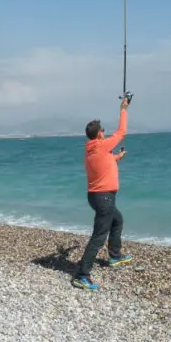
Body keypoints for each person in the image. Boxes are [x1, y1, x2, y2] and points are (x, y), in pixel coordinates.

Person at [72, 95, 134, 291]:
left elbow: (103, 164)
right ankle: (82, 275)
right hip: (104, 198)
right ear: (99, 135)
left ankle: (115, 256)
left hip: (96, 197)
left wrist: (116, 157)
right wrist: (123, 108)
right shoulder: (100, 146)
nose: (105, 133)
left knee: (118, 220)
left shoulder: (91, 151)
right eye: (103, 131)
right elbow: (122, 131)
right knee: (99, 236)